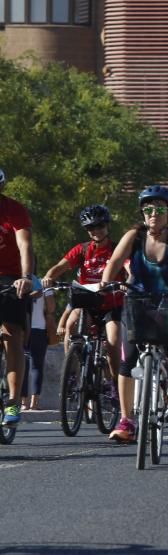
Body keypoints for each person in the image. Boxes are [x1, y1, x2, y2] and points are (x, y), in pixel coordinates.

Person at [100, 185, 168, 442]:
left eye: (159, 209)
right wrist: (105, 282)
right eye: (148, 209)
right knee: (126, 362)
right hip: (137, 301)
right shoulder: (134, 236)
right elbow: (115, 261)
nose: (153, 214)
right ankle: (127, 421)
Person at [42, 205, 126, 376]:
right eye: (90, 228)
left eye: (100, 226)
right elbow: (60, 267)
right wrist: (48, 277)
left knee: (113, 341)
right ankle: (72, 374)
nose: (96, 231)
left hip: (112, 304)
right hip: (87, 301)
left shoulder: (118, 249)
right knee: (70, 325)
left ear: (107, 226)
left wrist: (129, 283)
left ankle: (115, 386)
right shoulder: (83, 249)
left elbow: (130, 269)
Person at [0, 168, 35, 426]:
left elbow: (24, 244)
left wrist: (25, 276)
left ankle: (12, 402)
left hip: (10, 276)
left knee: (13, 334)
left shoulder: (14, 209)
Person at [22, 276, 55, 410]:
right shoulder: (42, 283)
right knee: (36, 366)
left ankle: (24, 402)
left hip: (24, 329)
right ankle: (32, 403)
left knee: (24, 365)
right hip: (37, 329)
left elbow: (51, 308)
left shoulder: (17, 282)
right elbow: (52, 308)